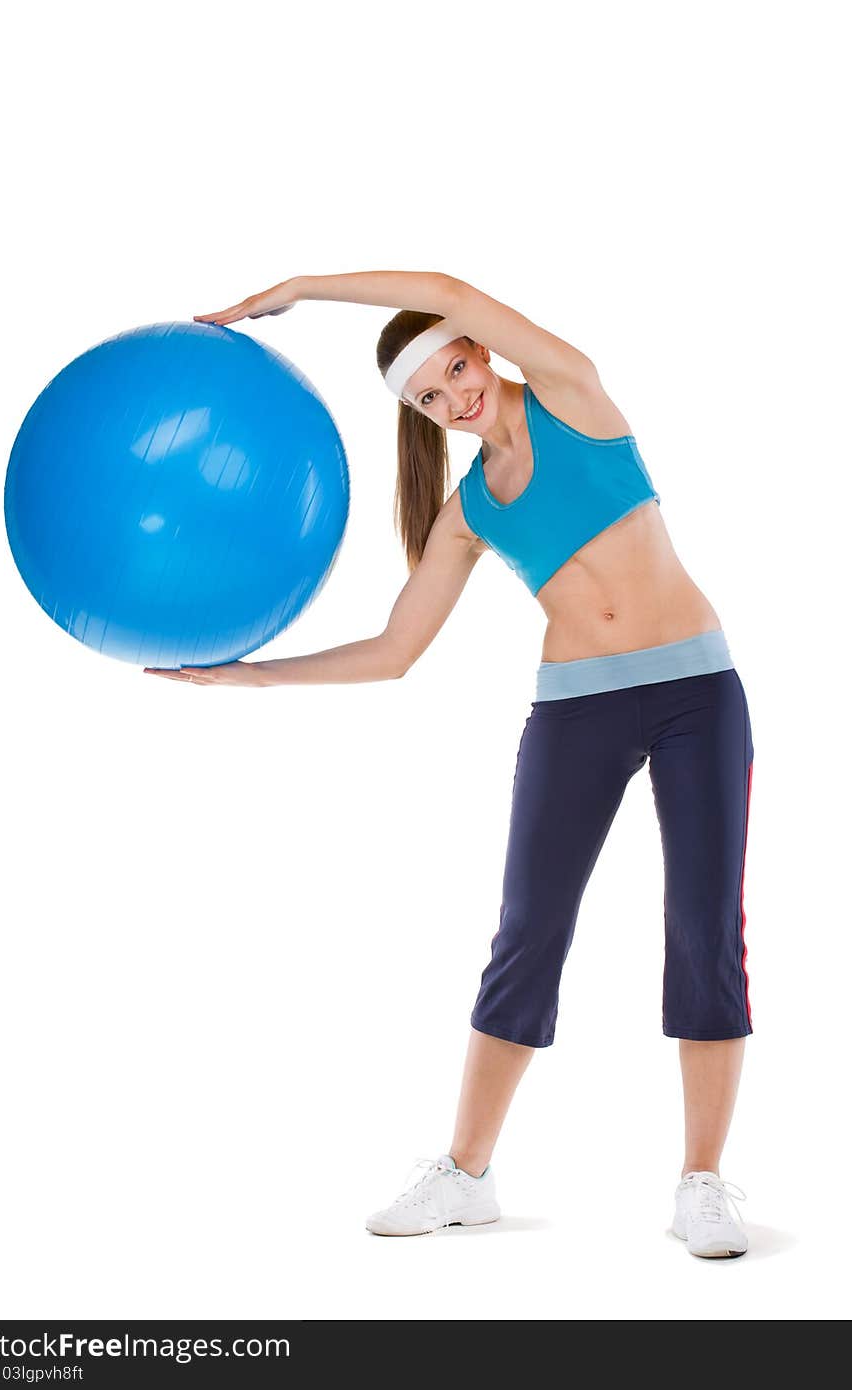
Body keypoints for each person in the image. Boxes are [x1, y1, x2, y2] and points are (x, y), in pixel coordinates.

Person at [146, 271, 755, 1259]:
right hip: (575, 711)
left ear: (481, 348)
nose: (454, 395)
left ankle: (701, 1184)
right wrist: (243, 679)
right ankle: (465, 1175)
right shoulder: (468, 509)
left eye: (457, 366)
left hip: (696, 695)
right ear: (420, 415)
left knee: (701, 928)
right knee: (527, 933)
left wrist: (300, 287)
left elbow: (438, 286)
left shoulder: (571, 392)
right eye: (429, 397)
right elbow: (393, 651)